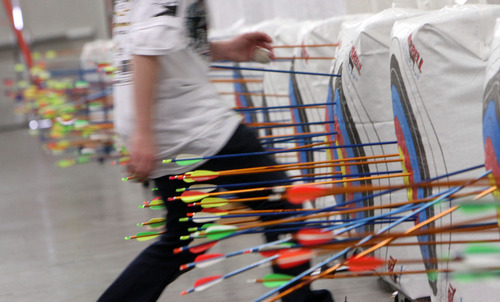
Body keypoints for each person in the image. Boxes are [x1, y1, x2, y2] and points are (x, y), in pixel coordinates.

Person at [100, 1, 334, 301]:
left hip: (167, 122)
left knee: (183, 239)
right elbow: (147, 44)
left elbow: (165, 42)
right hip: (188, 124)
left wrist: (225, 50)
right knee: (283, 206)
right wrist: (144, 133)